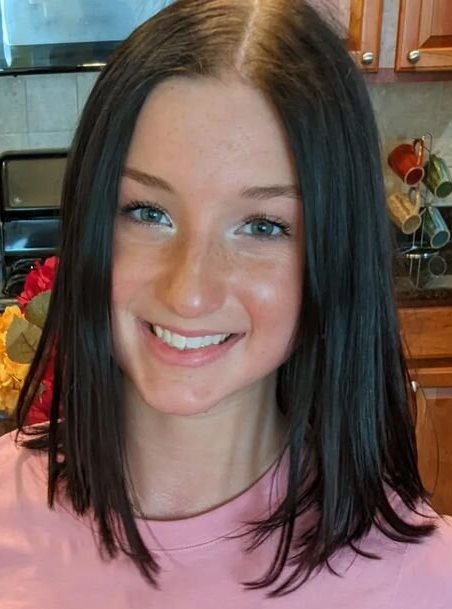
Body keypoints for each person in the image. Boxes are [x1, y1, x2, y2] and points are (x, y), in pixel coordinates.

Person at [0, 0, 451, 607]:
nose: (190, 292)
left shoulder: (425, 583)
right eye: (147, 212)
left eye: (263, 226)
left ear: (335, 254)